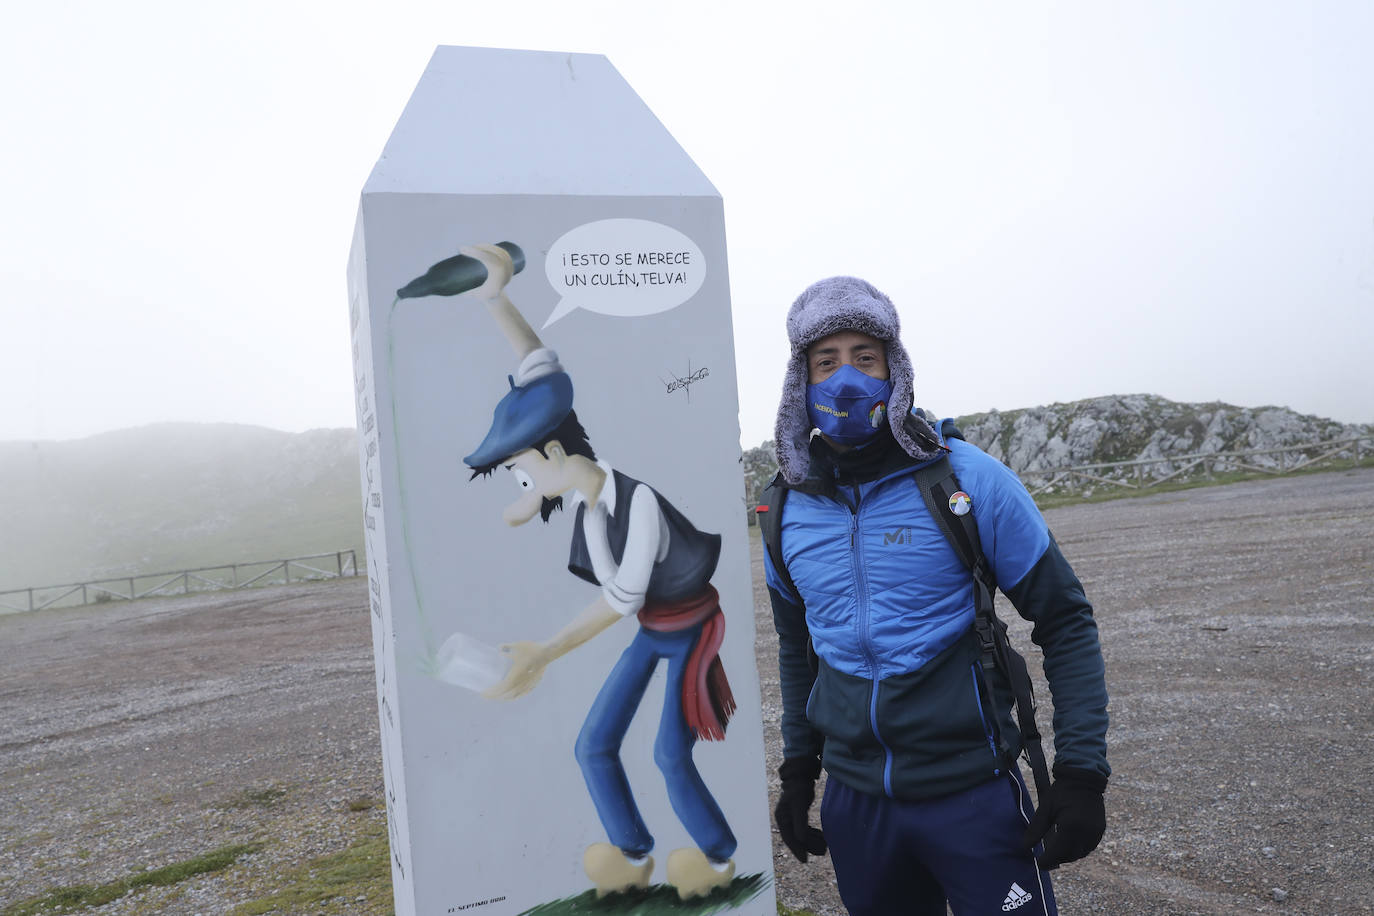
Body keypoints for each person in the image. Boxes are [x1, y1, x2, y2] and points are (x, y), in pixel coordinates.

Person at [765, 276, 1109, 916]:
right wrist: (798, 770)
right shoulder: (783, 509)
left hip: (973, 795)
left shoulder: (967, 479)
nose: (846, 378)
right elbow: (796, 647)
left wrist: (1082, 774)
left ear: (895, 370)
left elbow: (1064, 620)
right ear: (801, 384)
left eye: (865, 358)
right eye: (825, 361)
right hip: (856, 805)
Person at [453, 244, 739, 900]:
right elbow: (537, 364)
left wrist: (544, 653)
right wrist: (496, 295)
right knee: (594, 745)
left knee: (670, 754)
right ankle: (633, 853)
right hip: (655, 626)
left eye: (526, 471)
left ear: (554, 449)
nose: (525, 488)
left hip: (692, 626)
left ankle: (718, 860)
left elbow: (620, 598)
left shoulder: (634, 506)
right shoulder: (584, 500)